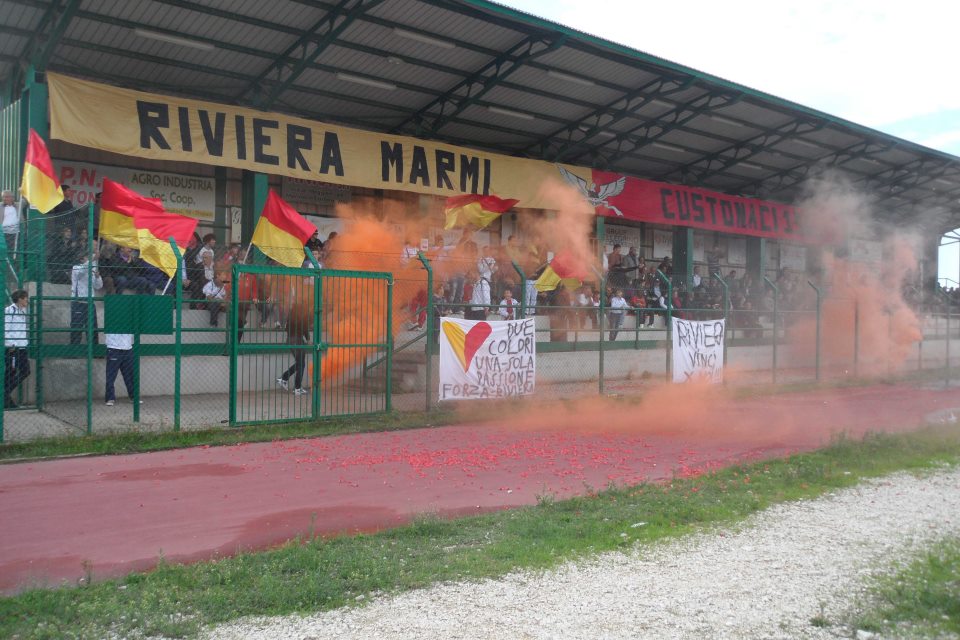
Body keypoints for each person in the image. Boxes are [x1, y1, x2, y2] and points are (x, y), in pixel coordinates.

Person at [277, 304, 311, 396]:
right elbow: (304, 327)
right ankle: (297, 388)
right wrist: (308, 339)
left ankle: (284, 378)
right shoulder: (301, 315)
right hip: (298, 340)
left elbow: (287, 328)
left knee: (300, 363)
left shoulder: (291, 316)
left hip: (290, 340)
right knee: (301, 364)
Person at [4, 290, 29, 408]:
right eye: (25, 298)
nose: (27, 300)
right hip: (13, 348)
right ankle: (5, 397)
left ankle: (4, 395)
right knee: (11, 372)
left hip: (22, 346)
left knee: (24, 371)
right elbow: (5, 329)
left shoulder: (23, 311)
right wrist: (11, 344)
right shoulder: (10, 310)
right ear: (20, 299)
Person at [70, 255, 102, 345]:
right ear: (81, 259)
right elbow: (81, 272)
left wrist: (98, 277)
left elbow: (98, 286)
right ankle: (74, 349)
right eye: (87, 257)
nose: (89, 259)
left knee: (92, 328)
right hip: (78, 302)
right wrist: (92, 260)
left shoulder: (92, 269)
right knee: (77, 328)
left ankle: (95, 349)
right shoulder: (76, 268)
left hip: (90, 303)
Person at [104, 332, 140, 406]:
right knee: (111, 375)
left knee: (130, 375)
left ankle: (133, 397)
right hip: (113, 348)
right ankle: (110, 398)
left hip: (128, 348)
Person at [2, 189, 20, 263]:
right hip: (3, 233)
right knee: (3, 251)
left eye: (7, 197)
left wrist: (22, 190)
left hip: (15, 233)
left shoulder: (18, 205)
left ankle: (14, 265)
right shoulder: (0, 206)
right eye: (3, 197)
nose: (4, 198)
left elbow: (27, 201)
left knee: (15, 252)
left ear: (12, 198)